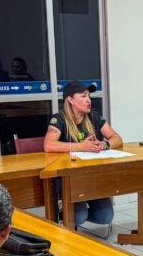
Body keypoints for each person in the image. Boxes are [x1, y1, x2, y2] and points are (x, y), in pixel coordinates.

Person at [43, 81, 123, 227]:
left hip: (92, 177)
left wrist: (104, 144)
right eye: (83, 96)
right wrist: (82, 146)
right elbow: (49, 145)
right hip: (69, 179)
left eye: (89, 97)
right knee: (79, 216)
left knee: (105, 217)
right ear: (70, 99)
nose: (88, 100)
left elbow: (117, 138)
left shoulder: (94, 117)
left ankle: (72, 215)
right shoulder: (59, 119)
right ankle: (63, 215)